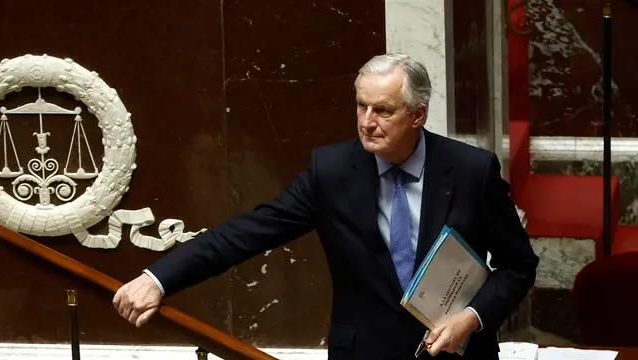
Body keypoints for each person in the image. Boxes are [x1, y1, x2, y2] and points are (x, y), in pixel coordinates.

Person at [113, 53, 539, 359]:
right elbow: (248, 232)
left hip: (458, 353)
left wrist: (471, 317)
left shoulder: (470, 171)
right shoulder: (332, 171)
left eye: (383, 110)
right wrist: (159, 278)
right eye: (361, 105)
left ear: (418, 115)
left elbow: (518, 266)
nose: (366, 121)